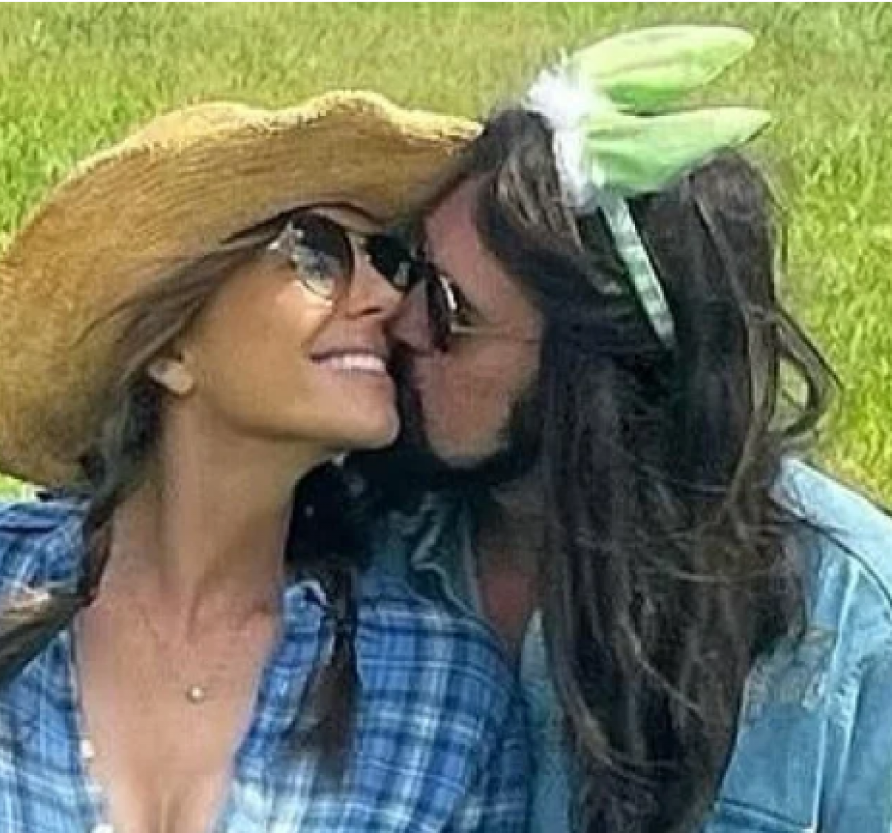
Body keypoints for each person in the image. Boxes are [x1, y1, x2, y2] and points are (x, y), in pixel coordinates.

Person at [0, 92, 529, 832]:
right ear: (171, 349)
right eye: (317, 253)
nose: (385, 298)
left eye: (388, 260)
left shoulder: (444, 696)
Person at [356, 26, 892, 833]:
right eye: (408, 266)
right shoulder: (359, 542)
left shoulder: (853, 621)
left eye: (448, 308)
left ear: (598, 371)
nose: (397, 323)